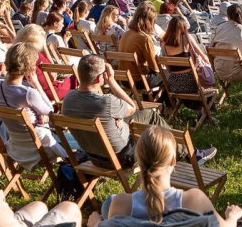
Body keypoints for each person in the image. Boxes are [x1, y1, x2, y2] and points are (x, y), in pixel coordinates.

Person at [89, 126, 241, 227]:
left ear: (138, 161)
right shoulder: (194, 199)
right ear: (173, 161)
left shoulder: (122, 204)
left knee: (108, 204)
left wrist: (97, 224)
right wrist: (232, 216)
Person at [63, 55, 216, 168]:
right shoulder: (107, 102)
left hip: (94, 157)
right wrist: (112, 81)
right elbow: (132, 107)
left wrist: (117, 118)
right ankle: (190, 154)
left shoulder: (68, 99)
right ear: (99, 79)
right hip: (123, 157)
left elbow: (96, 107)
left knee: (149, 115)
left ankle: (189, 152)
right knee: (151, 119)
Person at [0, 42, 72, 164]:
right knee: (72, 140)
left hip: (15, 144)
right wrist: (37, 86)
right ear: (30, 66)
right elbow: (50, 110)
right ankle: (72, 162)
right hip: (37, 146)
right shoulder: (28, 93)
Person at [160, 14, 211, 98]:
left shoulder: (164, 44)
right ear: (183, 26)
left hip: (174, 86)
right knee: (205, 78)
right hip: (192, 84)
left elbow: (168, 69)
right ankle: (207, 107)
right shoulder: (186, 38)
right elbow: (203, 56)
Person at [117, 4, 162, 91]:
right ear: (150, 21)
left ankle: (156, 101)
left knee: (159, 76)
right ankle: (166, 103)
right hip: (139, 80)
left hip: (124, 79)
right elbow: (154, 67)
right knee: (167, 75)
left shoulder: (126, 34)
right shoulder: (144, 37)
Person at [211, 4, 242, 88]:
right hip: (240, 72)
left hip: (221, 71)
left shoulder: (219, 28)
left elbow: (211, 48)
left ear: (227, 16)